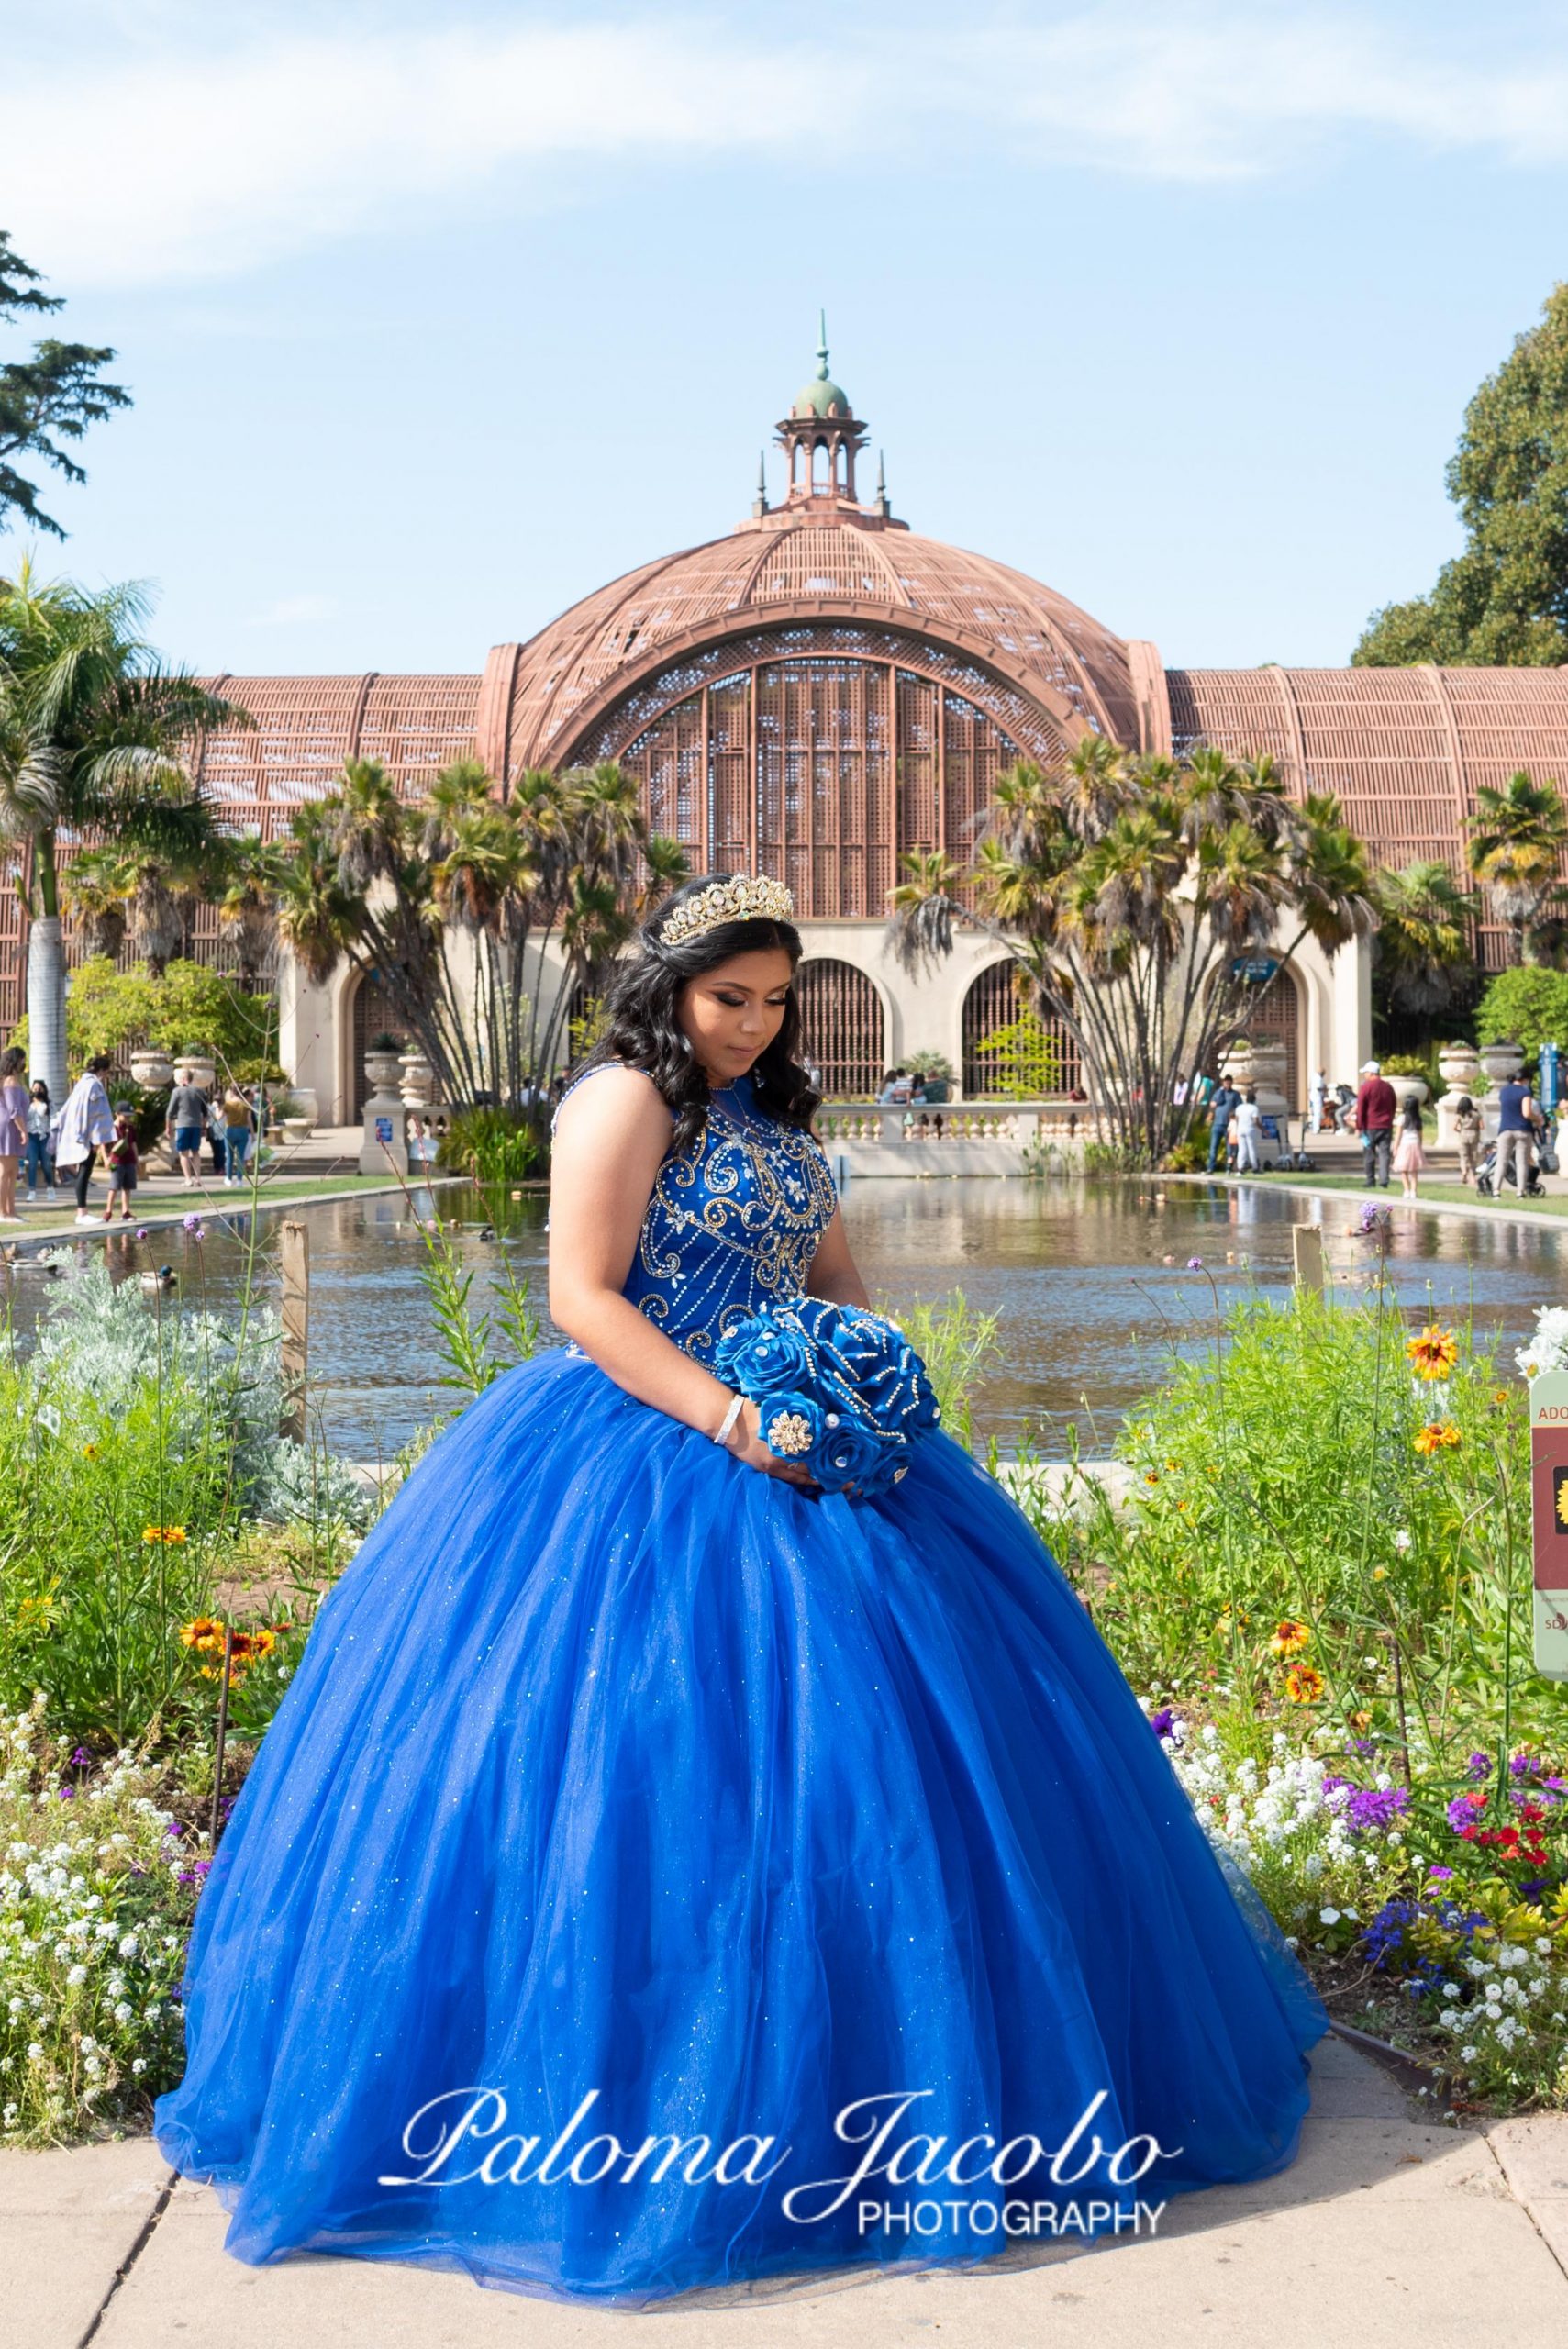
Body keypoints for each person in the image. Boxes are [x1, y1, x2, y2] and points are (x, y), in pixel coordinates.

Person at [152, 870, 1329, 2304]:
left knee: (911, 1764)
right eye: (731, 999)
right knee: (639, 1770)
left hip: (809, 1442)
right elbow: (579, 1298)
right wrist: (731, 1420)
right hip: (643, 1446)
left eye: (775, 1002)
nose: (756, 1025)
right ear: (671, 988)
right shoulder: (618, 1102)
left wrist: (861, 1382)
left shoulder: (772, 1113)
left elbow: (831, 1276)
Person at [54, 1053, 117, 1223]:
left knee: (84, 1172)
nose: (106, 1076)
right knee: (84, 1173)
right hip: (89, 1137)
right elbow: (95, 1114)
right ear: (102, 1070)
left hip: (83, 1134)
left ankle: (82, 1211)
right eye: (106, 1072)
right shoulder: (93, 1085)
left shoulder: (82, 1083)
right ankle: (82, 1212)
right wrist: (96, 1139)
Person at [1352, 1060, 1396, 1189]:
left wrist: (1359, 1126)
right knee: (1384, 1154)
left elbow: (1361, 1109)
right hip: (1385, 1126)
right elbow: (1393, 1105)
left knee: (1369, 1153)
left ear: (1371, 1073)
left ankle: (1370, 1180)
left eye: (1365, 1072)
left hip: (1370, 1126)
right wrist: (1390, 1120)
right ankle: (1384, 1179)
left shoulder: (1366, 1087)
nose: (1364, 1075)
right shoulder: (1388, 1087)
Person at [1495, 1068, 1537, 1197]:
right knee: (1522, 1162)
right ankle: (1520, 1191)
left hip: (1505, 1129)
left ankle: (1496, 1190)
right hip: (1522, 1130)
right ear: (1525, 1079)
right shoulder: (1525, 1091)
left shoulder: (1504, 1091)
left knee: (1501, 1161)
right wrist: (1538, 1118)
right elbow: (1527, 1113)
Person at [166, 1071, 211, 1188]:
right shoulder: (199, 1091)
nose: (179, 1080)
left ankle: (188, 1179)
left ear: (185, 1078)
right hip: (196, 1125)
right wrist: (204, 1126)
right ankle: (198, 1179)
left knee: (184, 1153)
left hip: (182, 1125)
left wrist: (168, 1127)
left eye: (180, 1078)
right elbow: (205, 1113)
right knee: (196, 1152)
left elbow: (170, 1112)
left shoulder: (177, 1091)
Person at [0, 1046, 27, 1222]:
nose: (24, 1062)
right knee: (5, 1171)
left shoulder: (14, 1080)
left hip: (13, 1128)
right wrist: (23, 1131)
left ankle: (11, 1210)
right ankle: (3, 1212)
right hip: (9, 1128)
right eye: (23, 1059)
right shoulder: (10, 1082)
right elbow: (14, 1110)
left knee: (13, 1172)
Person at [102, 1102, 138, 1222]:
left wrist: (136, 1160)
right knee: (114, 1187)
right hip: (117, 1162)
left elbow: (133, 1144)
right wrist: (106, 1159)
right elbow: (103, 1145)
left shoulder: (130, 1128)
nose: (128, 1118)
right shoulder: (111, 1128)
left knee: (127, 1188)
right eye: (125, 1116)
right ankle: (108, 1211)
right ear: (117, 1114)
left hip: (129, 1161)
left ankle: (125, 1212)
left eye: (129, 1116)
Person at [22, 1079, 56, 1203]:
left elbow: (54, 1119)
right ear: (31, 1090)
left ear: (44, 1090)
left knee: (46, 1165)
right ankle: (32, 1192)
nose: (37, 1091)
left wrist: (53, 1136)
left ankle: (50, 1189)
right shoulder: (27, 1103)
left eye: (39, 1088)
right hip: (31, 1137)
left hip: (44, 1137)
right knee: (32, 1164)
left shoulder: (49, 1103)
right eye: (35, 1089)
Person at [1392, 1094, 1425, 1198]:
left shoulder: (1402, 1118)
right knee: (1414, 1170)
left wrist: (1395, 1147)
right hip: (1415, 1144)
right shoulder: (1418, 1119)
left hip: (1404, 1145)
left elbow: (1398, 1135)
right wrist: (1420, 1145)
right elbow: (1420, 1135)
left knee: (1403, 1169)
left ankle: (1406, 1190)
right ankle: (1413, 1191)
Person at [1207, 1074, 1240, 1172]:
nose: (1227, 1085)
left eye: (1229, 1083)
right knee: (1213, 1147)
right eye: (1226, 1083)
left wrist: (1233, 1117)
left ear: (1232, 1083)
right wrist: (1221, 1091)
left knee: (1230, 1148)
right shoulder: (1218, 1093)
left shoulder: (1235, 1094)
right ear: (1223, 1083)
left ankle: (1229, 1168)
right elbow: (1213, 1103)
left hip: (1229, 1125)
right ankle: (1210, 1168)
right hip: (1217, 1124)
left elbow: (1238, 1107)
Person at [222, 1082, 253, 1184]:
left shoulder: (228, 1104)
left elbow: (220, 1116)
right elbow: (249, 1120)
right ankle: (239, 1179)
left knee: (230, 1156)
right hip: (242, 1130)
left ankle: (229, 1178)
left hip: (230, 1130)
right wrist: (253, 1134)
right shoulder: (245, 1104)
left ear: (232, 1091)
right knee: (241, 1157)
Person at [1451, 1094, 1483, 1187]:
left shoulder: (1459, 1115)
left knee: (1464, 1156)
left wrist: (1460, 1130)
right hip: (1474, 1136)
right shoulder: (1476, 1114)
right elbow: (1482, 1126)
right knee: (1473, 1157)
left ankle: (1464, 1171)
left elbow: (1454, 1127)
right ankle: (1473, 1176)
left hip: (1463, 1135)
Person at [1233, 1086, 1262, 1173]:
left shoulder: (1239, 1107)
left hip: (1240, 1129)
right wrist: (1263, 1129)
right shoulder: (1254, 1108)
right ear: (1254, 1100)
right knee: (1252, 1149)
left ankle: (1240, 1167)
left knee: (1242, 1149)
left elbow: (1237, 1119)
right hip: (1250, 1129)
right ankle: (1255, 1167)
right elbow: (1256, 1121)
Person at [1307, 1067, 1329, 1134]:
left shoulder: (1314, 1077)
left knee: (1315, 1114)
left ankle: (1315, 1128)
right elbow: (1318, 1088)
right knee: (1317, 1113)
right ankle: (1316, 1129)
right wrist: (1325, 1089)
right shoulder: (1318, 1078)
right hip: (1317, 1098)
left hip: (1313, 1097)